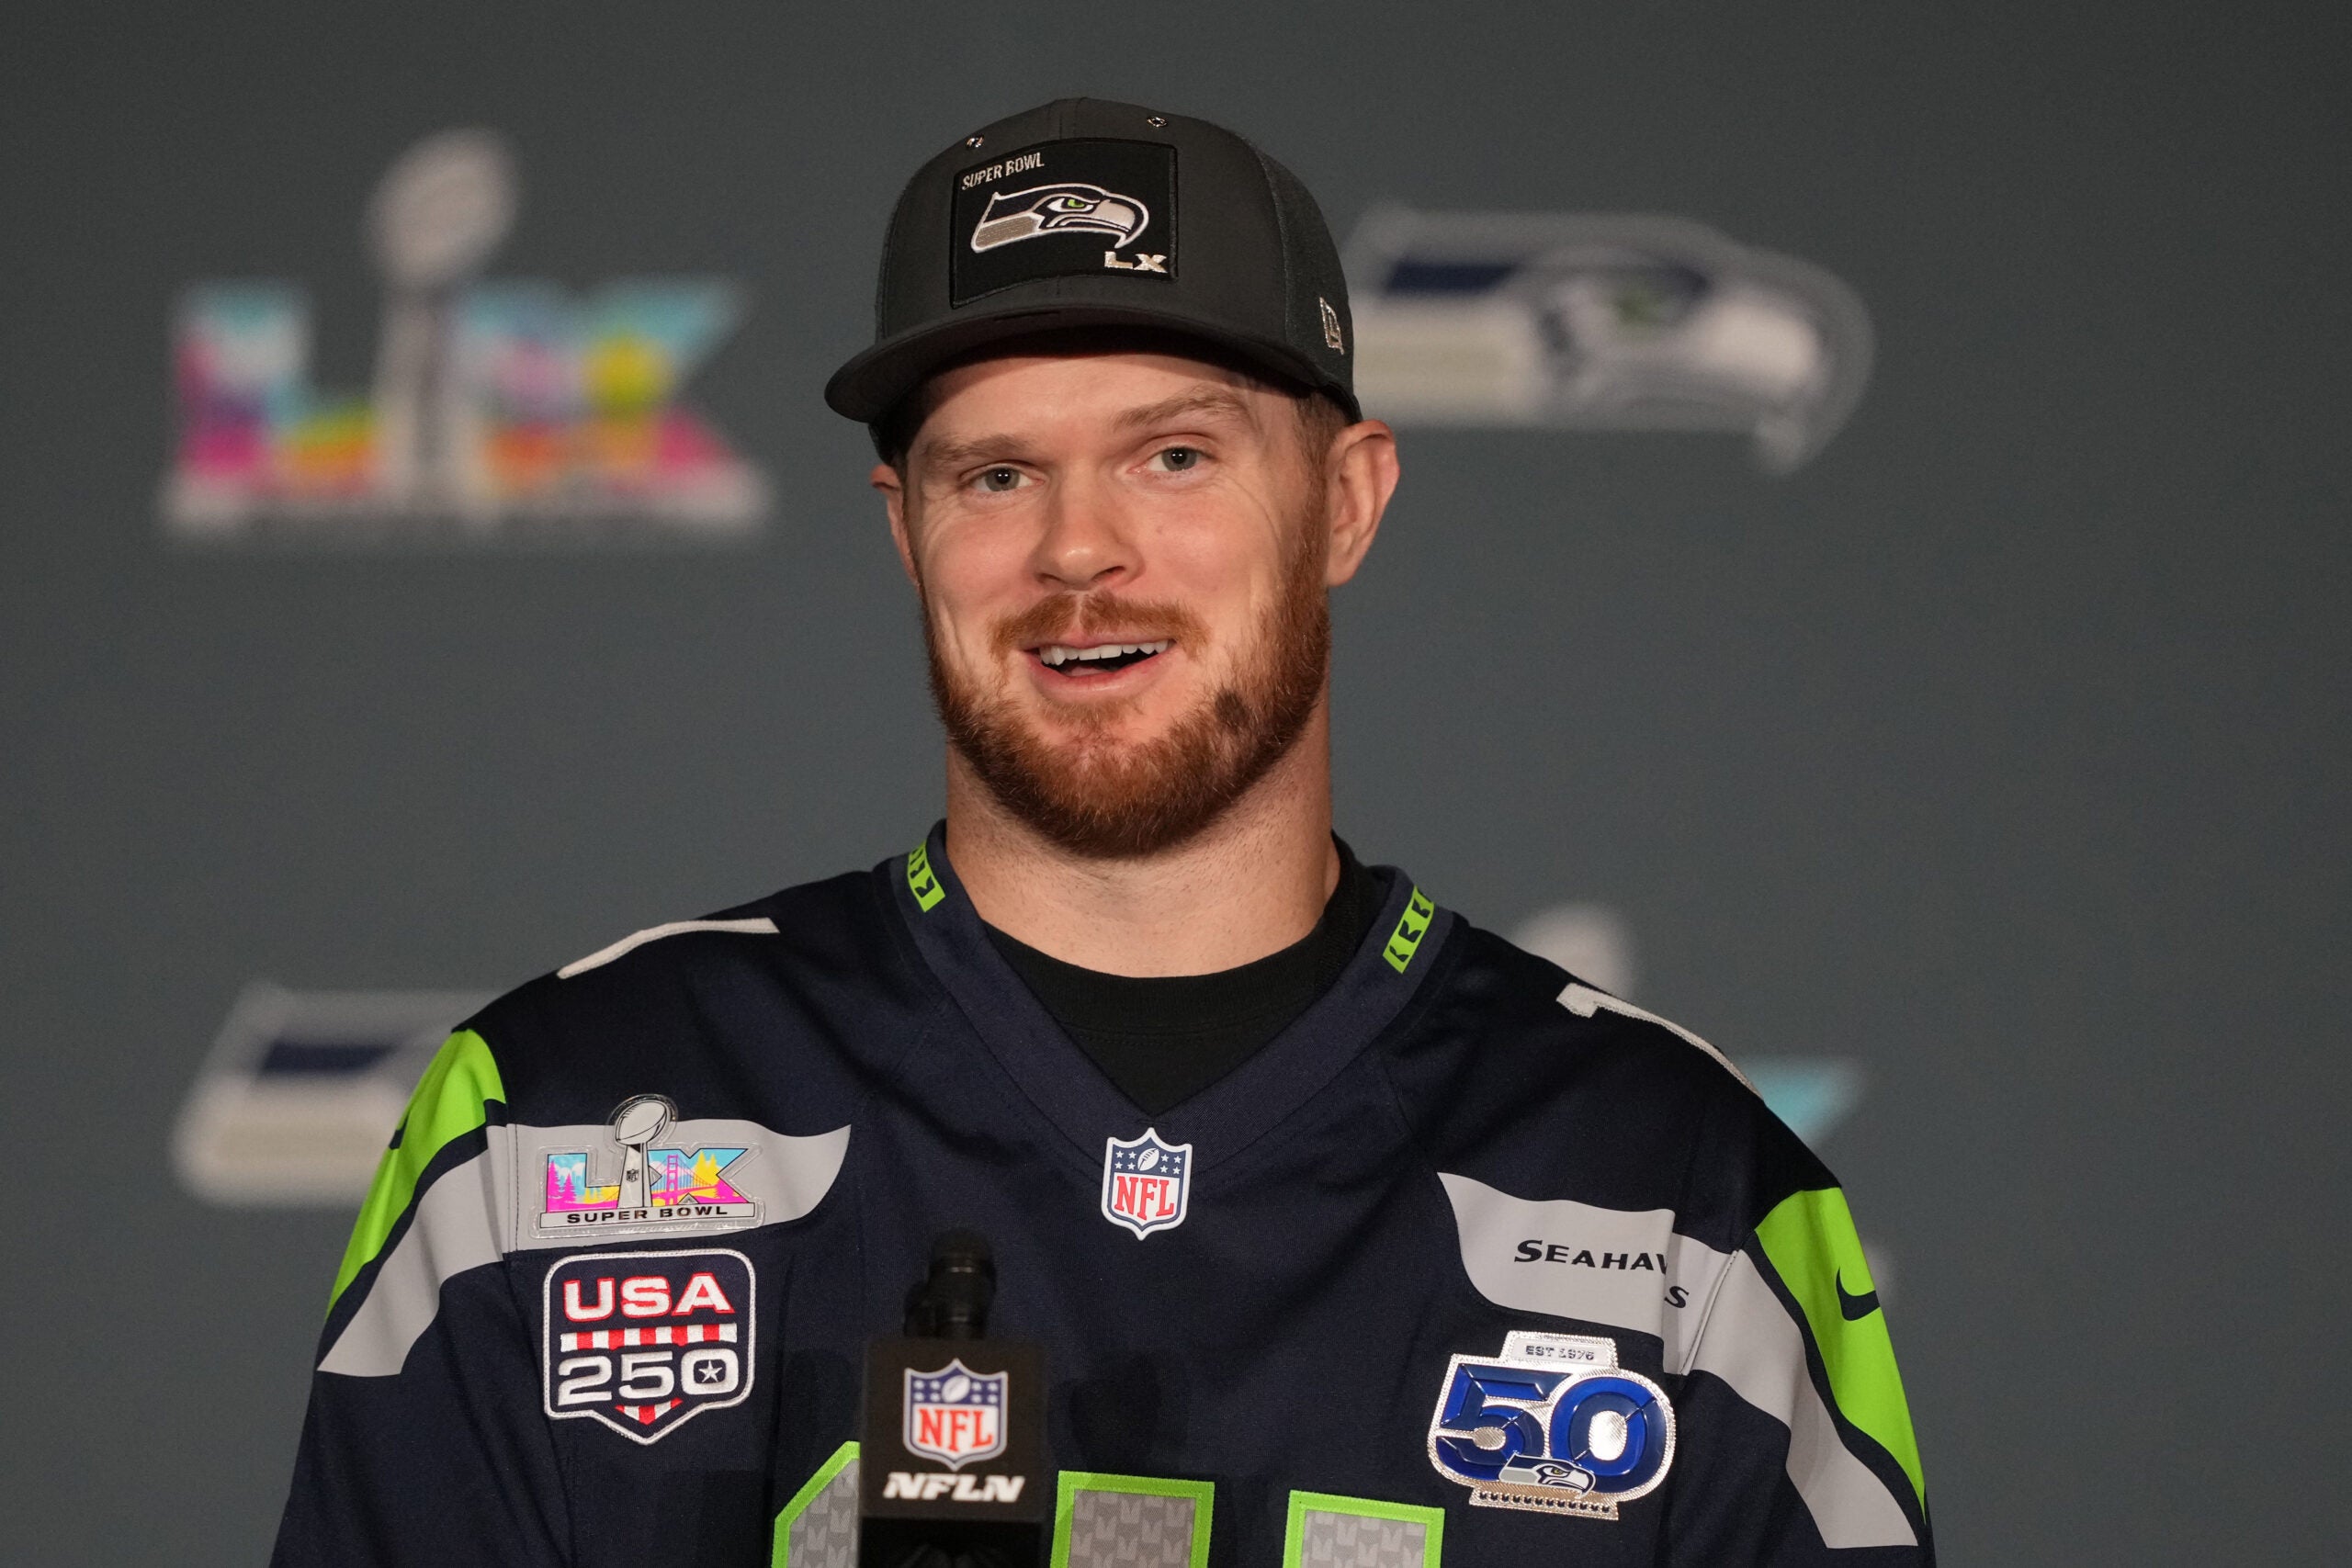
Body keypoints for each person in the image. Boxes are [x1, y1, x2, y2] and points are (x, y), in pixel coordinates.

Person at [273, 98, 1932, 1568]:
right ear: (903, 529)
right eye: (994, 476)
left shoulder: (1680, 1200)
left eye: (1176, 455)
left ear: (1346, 501)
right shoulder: (549, 1138)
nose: (1080, 552)